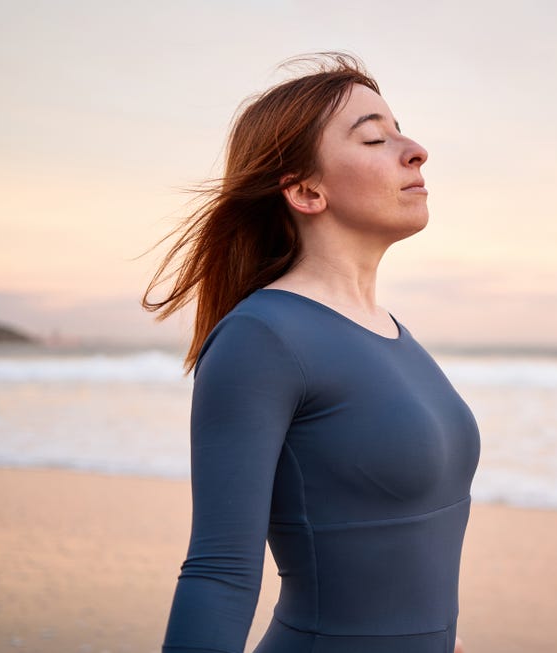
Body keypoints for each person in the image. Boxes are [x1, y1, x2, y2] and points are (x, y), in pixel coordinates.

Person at [142, 53, 480, 653]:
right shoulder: (262, 338)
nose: (415, 149)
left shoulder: (392, 332)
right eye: (375, 137)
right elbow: (219, 572)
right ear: (304, 190)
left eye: (400, 130)